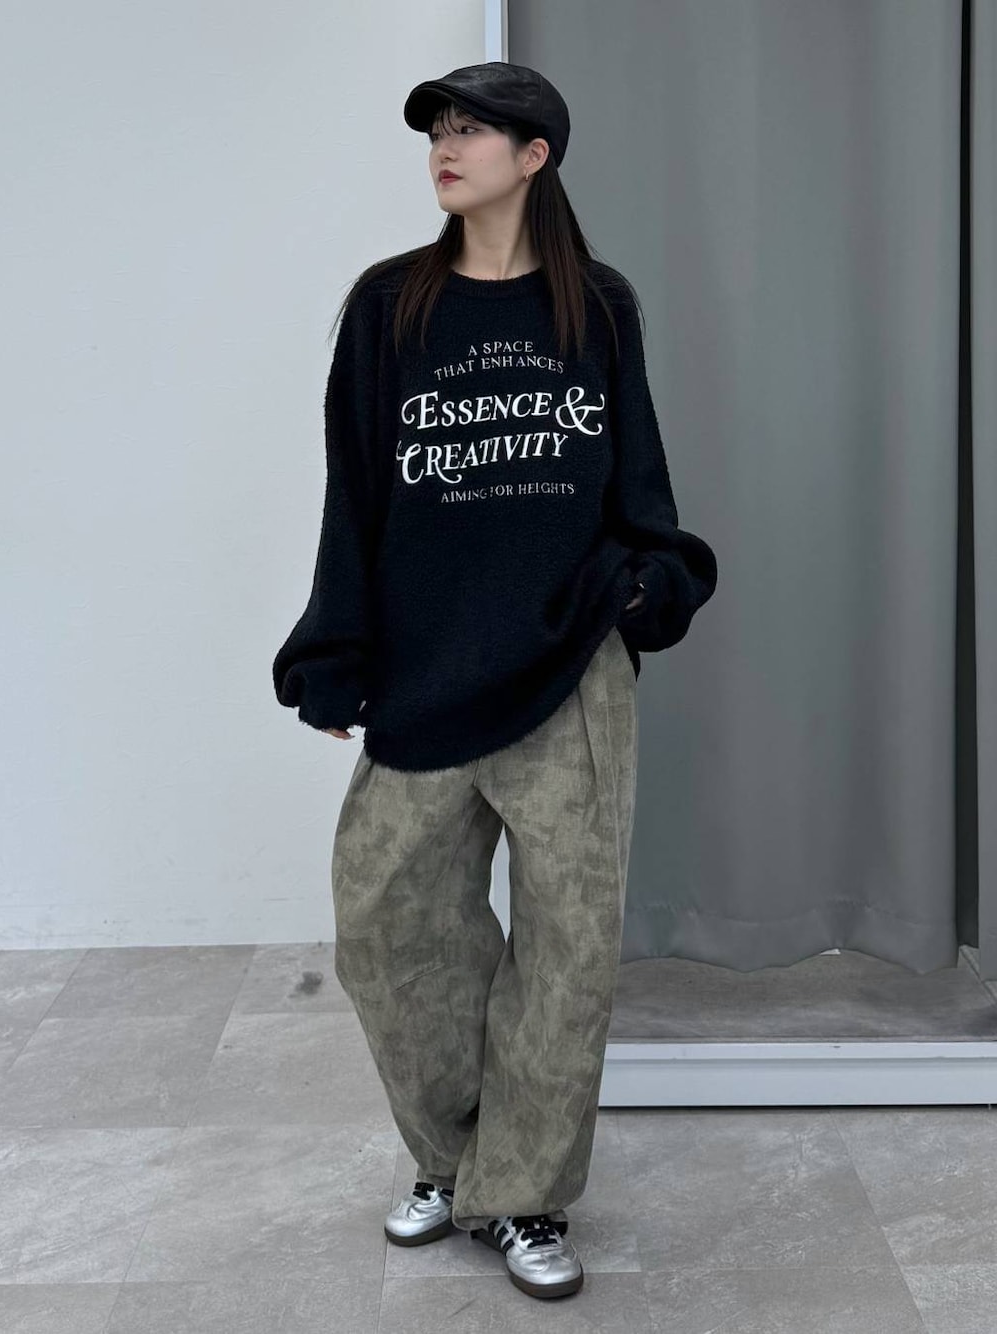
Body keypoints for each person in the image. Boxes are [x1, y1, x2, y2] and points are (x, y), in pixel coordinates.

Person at [272, 61, 718, 1302]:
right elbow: (356, 491)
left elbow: (638, 479)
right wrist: (338, 650)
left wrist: (645, 583)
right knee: (386, 925)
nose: (446, 147)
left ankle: (521, 1194)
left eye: (475, 130)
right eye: (440, 129)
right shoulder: (389, 306)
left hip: (571, 669)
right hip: (428, 670)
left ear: (534, 157)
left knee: (567, 952)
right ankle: (454, 1157)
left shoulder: (597, 307)